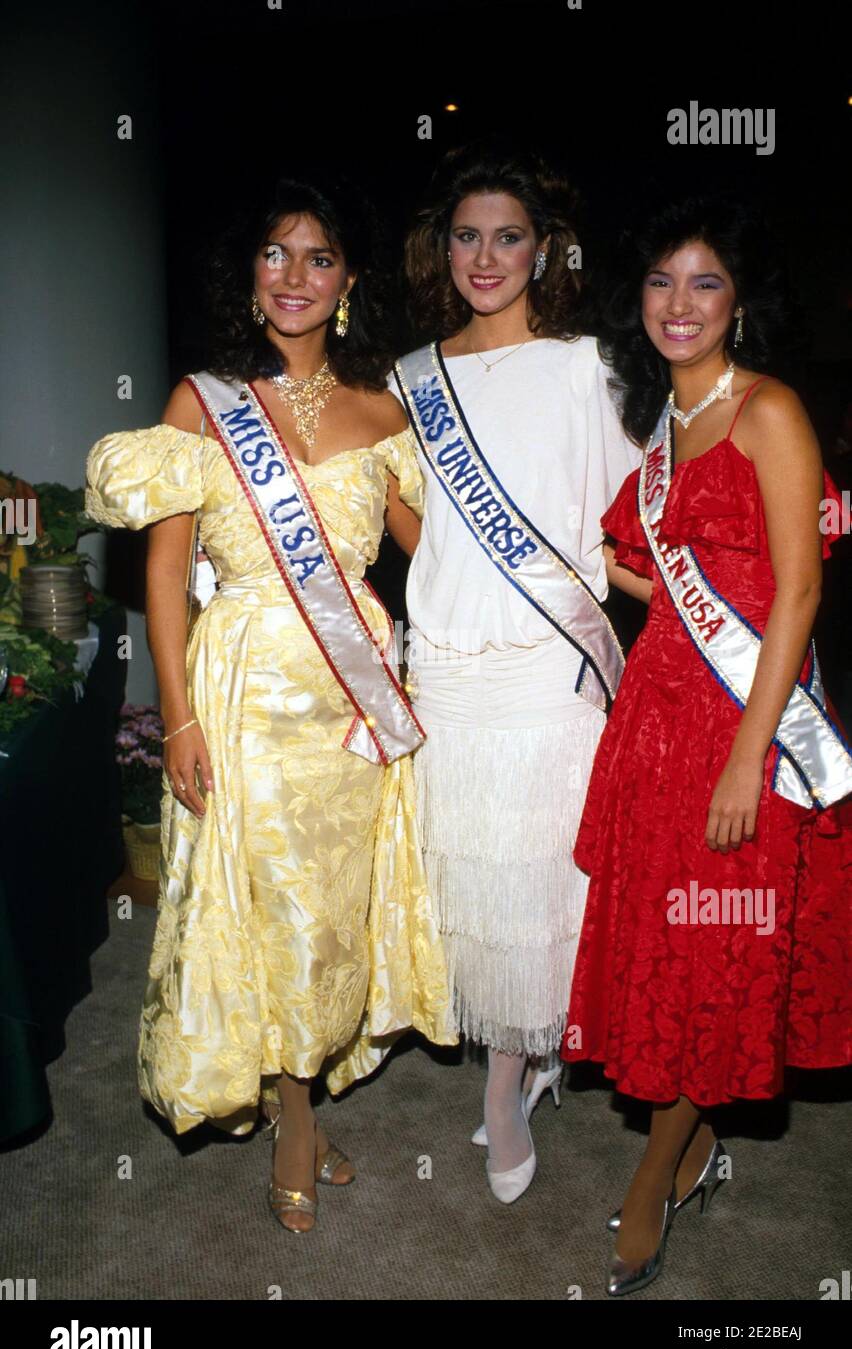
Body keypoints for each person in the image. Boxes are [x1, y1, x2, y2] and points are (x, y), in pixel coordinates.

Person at [85, 174, 455, 1235]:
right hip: (243, 687)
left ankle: (307, 1099)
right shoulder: (200, 403)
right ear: (250, 276)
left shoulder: (384, 411)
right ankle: (296, 1124)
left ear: (347, 281)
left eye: (320, 257)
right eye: (276, 254)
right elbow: (163, 575)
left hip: (351, 702)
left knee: (331, 914)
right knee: (268, 908)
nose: (296, 276)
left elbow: (435, 562)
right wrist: (179, 718)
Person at [561, 194, 852, 1294]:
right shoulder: (664, 427)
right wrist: (618, 578)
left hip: (743, 731)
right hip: (657, 722)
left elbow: (801, 586)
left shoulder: (769, 409)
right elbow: (659, 568)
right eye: (661, 282)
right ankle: (692, 1148)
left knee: (719, 953)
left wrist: (748, 754)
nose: (680, 305)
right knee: (670, 947)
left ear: (740, 301)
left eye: (707, 282)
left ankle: (655, 1173)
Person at [392, 141, 640, 1202]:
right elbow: (406, 518)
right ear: (439, 248)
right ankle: (521, 1054)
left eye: (508, 237)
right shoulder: (412, 378)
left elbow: (635, 523)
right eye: (466, 236)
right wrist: (457, 575)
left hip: (550, 665)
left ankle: (504, 1089)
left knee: (541, 878)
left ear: (546, 249)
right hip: (449, 667)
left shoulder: (590, 365)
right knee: (467, 883)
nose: (484, 257)